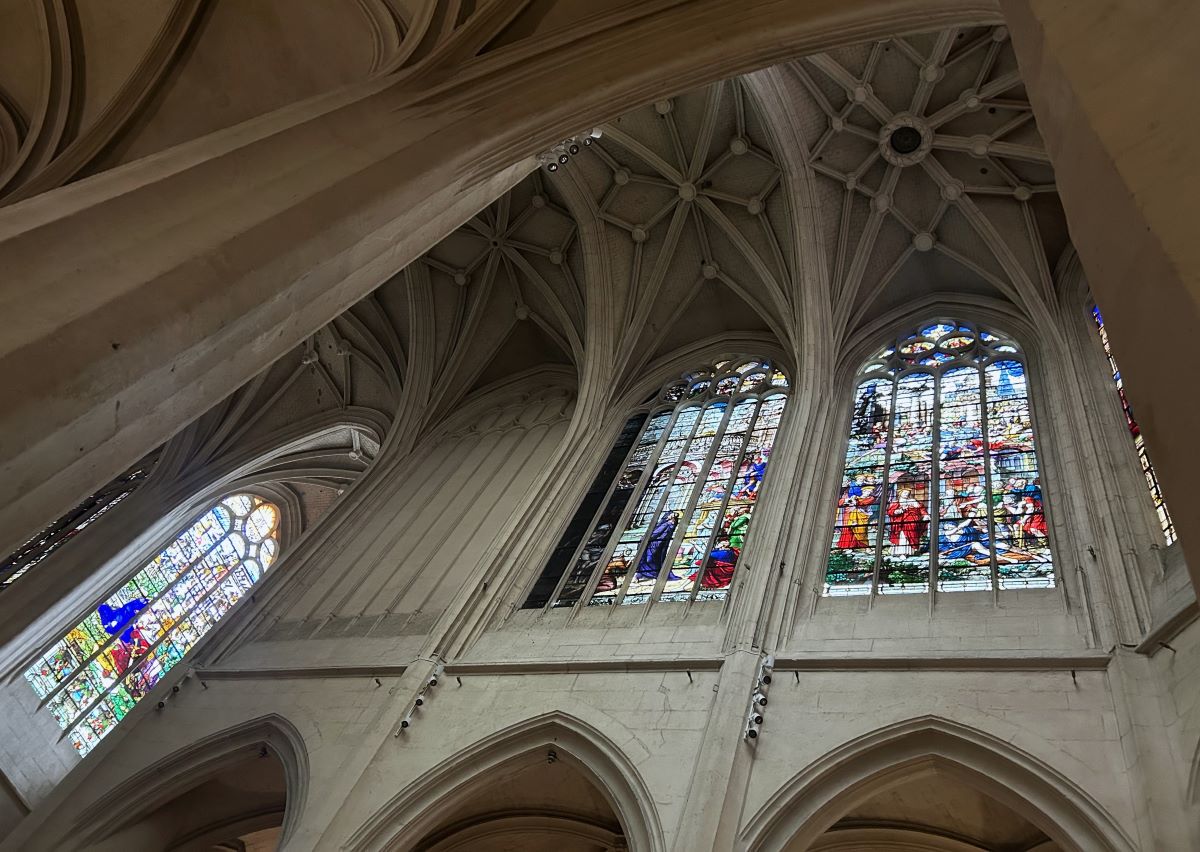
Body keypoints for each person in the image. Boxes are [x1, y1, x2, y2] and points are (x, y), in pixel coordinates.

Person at [636, 512, 679, 580]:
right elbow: (655, 532)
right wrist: (645, 537)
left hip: (659, 544)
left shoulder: (669, 524)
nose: (671, 517)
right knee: (649, 559)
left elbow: (657, 533)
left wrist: (645, 538)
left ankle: (650, 574)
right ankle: (643, 574)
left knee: (652, 559)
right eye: (672, 515)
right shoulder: (665, 523)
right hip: (655, 544)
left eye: (673, 516)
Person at [886, 488, 928, 557]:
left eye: (908, 493)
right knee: (902, 537)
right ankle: (902, 553)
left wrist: (925, 515)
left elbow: (921, 509)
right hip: (900, 523)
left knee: (911, 535)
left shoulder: (913, 501)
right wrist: (898, 511)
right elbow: (891, 512)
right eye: (905, 492)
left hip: (912, 522)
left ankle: (911, 551)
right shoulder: (896, 502)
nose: (906, 494)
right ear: (900, 493)